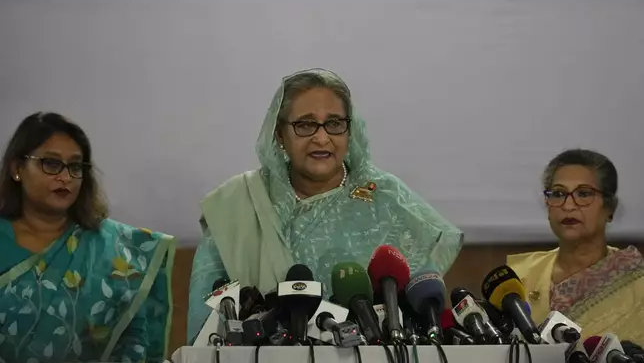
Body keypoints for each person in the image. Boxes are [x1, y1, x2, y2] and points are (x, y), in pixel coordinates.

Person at [187, 68, 464, 339]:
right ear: (279, 135)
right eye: (305, 124)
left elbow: (423, 307)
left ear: (349, 130)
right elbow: (207, 323)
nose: (322, 138)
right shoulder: (237, 205)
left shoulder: (387, 199)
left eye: (334, 123)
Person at [0, 113, 176, 362]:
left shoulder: (117, 251)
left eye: (75, 166)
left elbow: (133, 341)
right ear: (17, 169)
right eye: (51, 163)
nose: (65, 177)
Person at [508, 149, 644, 343]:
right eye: (558, 193)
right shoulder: (517, 278)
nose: (568, 205)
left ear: (609, 208)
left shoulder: (637, 284)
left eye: (583, 193)